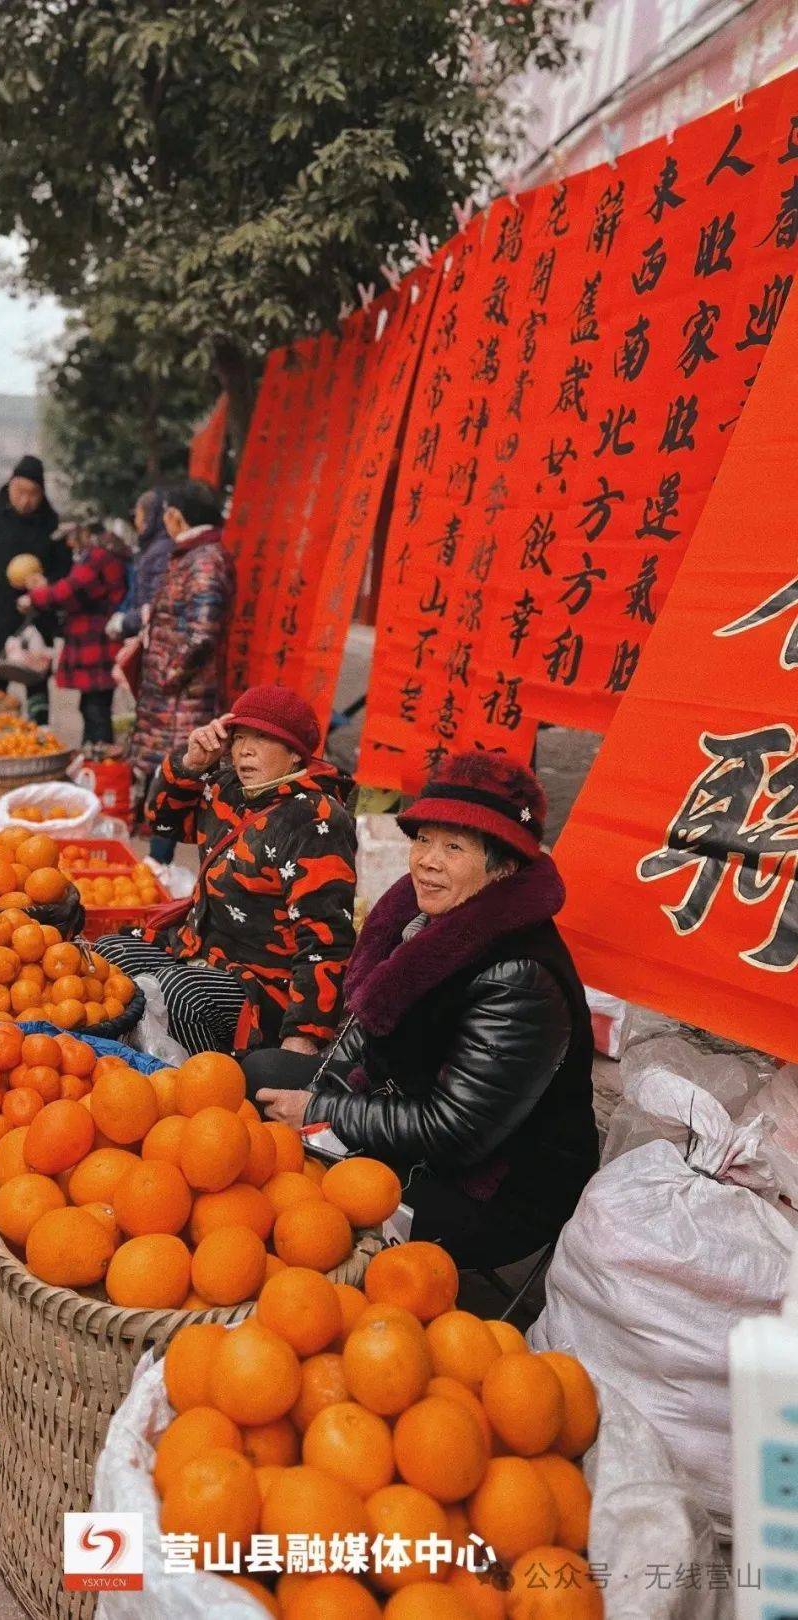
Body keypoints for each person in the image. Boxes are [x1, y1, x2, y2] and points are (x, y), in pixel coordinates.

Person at [244, 750, 600, 1270]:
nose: (427, 861)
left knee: (319, 1214)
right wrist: (325, 1089)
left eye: (454, 847)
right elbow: (369, 1022)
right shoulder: (429, 916)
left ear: (503, 866)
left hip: (496, 1183)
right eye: (424, 840)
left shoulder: (520, 977)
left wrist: (319, 1111)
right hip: (406, 1101)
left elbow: (456, 1130)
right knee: (259, 1074)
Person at [99, 686, 357, 1055]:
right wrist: (192, 764)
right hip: (200, 948)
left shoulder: (315, 819)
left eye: (263, 738)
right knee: (111, 958)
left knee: (182, 993)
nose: (245, 750)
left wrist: (304, 1036)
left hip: (266, 984)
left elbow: (325, 940)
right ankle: (124, 1068)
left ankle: (209, 1090)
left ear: (295, 755)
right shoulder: (228, 788)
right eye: (238, 738)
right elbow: (163, 822)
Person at [128, 480, 235, 865]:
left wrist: (167, 676)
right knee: (168, 777)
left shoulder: (205, 558)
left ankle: (162, 864)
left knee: (178, 774)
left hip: (183, 698)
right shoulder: (191, 554)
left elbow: (203, 632)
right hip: (172, 694)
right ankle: (159, 864)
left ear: (176, 515)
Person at [0, 454, 68, 724]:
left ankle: (39, 733)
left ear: (42, 494)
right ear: (10, 487)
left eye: (33, 494)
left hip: (36, 614)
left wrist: (46, 584)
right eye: (20, 492)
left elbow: (64, 570)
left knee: (36, 680)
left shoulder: (52, 524)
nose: (26, 500)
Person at [18, 523, 128, 747]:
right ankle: (93, 761)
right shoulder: (103, 552)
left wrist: (35, 596)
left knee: (96, 709)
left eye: (71, 537)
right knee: (92, 705)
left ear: (85, 532)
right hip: (98, 640)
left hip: (97, 642)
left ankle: (100, 765)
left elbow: (70, 590)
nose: (68, 543)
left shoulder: (97, 555)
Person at [108, 488, 172, 643]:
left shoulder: (159, 552)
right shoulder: (156, 549)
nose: (135, 521)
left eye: (137, 515)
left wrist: (124, 622)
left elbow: (156, 607)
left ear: (148, 517)